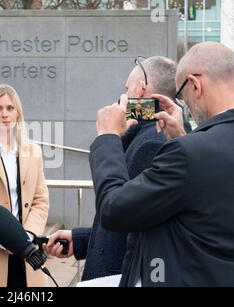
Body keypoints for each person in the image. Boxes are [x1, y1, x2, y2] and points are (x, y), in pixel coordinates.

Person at [90, 42, 234, 286]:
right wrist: (186, 141)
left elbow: (114, 209)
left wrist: (107, 137)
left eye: (181, 95)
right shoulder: (196, 149)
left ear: (196, 84)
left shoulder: (189, 153)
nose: (183, 105)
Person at [45, 56, 190, 285]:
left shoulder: (153, 141)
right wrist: (82, 239)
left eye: (126, 89)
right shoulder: (154, 133)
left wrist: (107, 136)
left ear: (140, 90)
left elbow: (127, 215)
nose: (121, 96)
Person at [0, 84, 49, 287]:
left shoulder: (33, 150)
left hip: (28, 250)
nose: (5, 115)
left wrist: (26, 236)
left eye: (10, 108)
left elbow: (40, 200)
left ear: (18, 112)